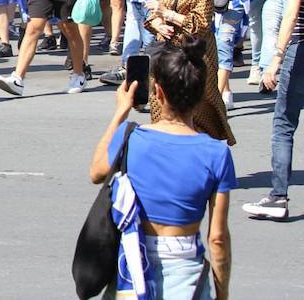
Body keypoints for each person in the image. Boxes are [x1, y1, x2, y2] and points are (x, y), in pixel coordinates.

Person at [88, 40, 234, 300]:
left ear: (158, 91)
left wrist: (120, 111)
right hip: (186, 272)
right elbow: (218, 239)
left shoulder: (131, 138)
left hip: (132, 268)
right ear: (201, 94)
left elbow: (97, 172)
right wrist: (221, 293)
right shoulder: (217, 153)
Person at [148, 0, 235, 144]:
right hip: (167, 53)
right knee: (162, 104)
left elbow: (202, 22)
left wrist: (169, 14)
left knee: (199, 108)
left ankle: (205, 156)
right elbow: (154, 12)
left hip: (194, 55)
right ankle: (167, 154)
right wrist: (157, 22)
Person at [243, 0, 304, 220]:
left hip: (300, 52)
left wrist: (275, 60)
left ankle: (278, 197)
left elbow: (291, 16)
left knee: (283, 125)